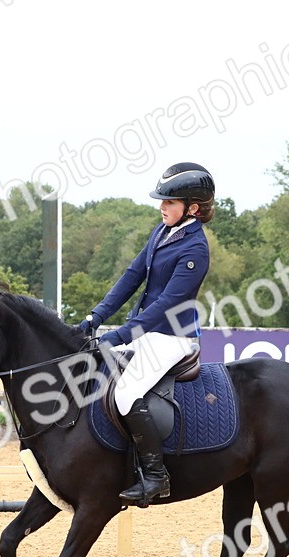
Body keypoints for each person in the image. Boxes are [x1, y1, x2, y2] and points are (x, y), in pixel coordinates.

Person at [76, 162, 215, 505]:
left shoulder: (195, 248)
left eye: (169, 202)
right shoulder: (162, 231)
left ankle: (156, 476)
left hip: (173, 336)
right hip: (148, 333)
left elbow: (169, 302)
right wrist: (97, 315)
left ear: (192, 208)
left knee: (125, 393)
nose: (161, 207)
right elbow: (131, 275)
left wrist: (120, 335)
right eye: (162, 202)